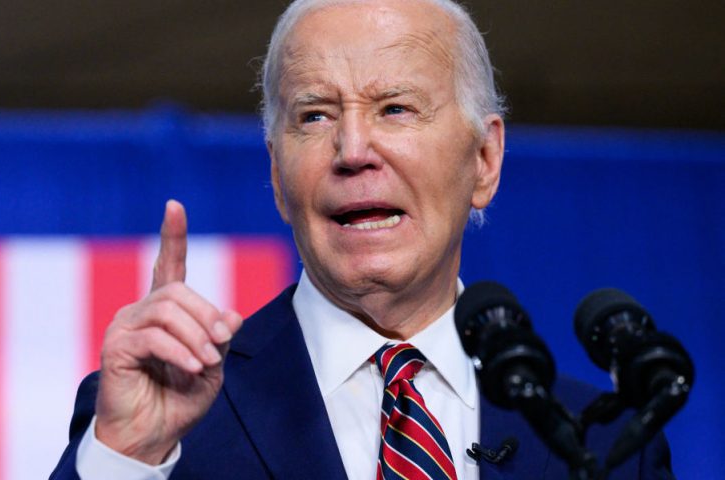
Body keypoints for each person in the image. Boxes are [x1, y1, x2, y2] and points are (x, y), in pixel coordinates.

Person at [51, 0, 673, 478]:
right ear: (275, 173)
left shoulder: (601, 446)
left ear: (484, 159)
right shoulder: (165, 416)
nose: (352, 151)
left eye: (395, 109)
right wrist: (127, 459)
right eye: (315, 116)